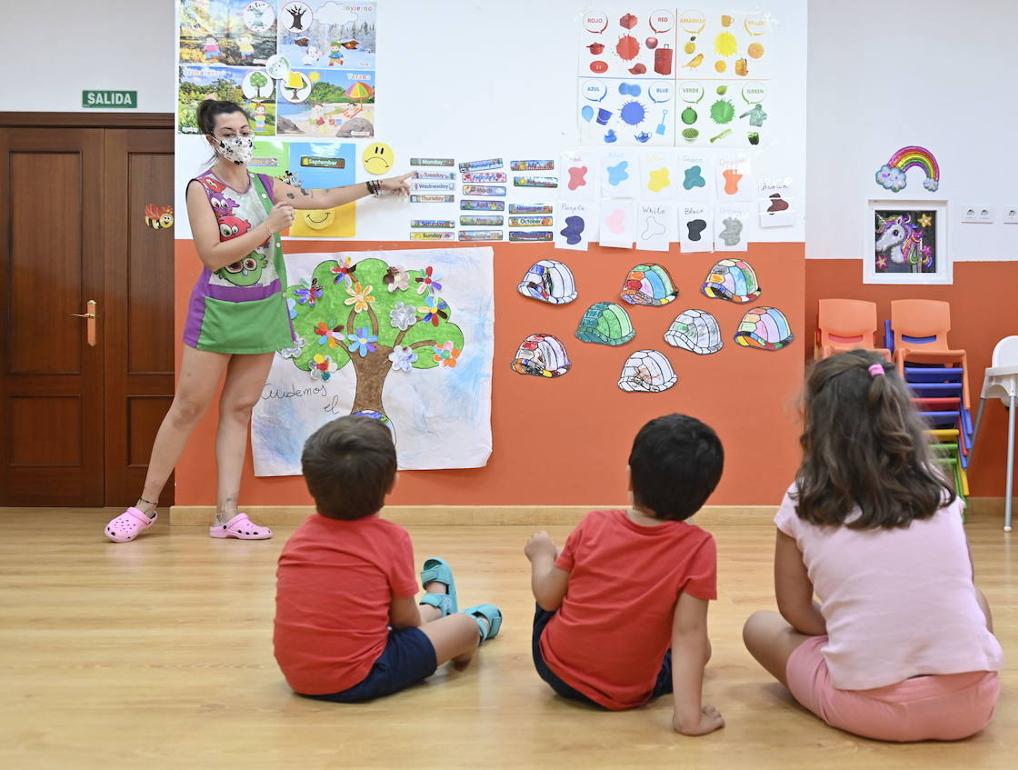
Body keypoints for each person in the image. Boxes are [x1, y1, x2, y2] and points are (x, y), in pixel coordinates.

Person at [104, 99, 413, 543]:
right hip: (217, 311)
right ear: (212, 140)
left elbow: (323, 198)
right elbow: (212, 255)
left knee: (240, 410)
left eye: (244, 129)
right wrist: (268, 226)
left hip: (264, 308)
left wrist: (381, 185)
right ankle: (145, 507)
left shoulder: (268, 184)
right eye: (229, 133)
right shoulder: (201, 188)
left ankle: (227, 515)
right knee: (188, 408)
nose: (239, 139)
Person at [742, 351, 1003, 742]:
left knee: (757, 627)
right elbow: (961, 581)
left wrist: (853, 624)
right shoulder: (937, 483)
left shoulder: (805, 497)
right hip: (974, 707)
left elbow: (793, 611)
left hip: (869, 710)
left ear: (818, 422)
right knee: (975, 597)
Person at [273, 416, 502, 702]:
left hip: (297, 674)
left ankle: (436, 605)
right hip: (361, 677)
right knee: (463, 627)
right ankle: (469, 626)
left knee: (400, 616)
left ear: (309, 483)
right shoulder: (391, 539)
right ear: (393, 481)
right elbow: (405, 623)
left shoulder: (298, 538)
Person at [524, 414, 725, 737]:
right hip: (628, 692)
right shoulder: (699, 547)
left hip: (555, 669)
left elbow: (547, 596)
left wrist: (542, 555)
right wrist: (690, 719)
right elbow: (688, 634)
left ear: (631, 478)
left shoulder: (593, 525)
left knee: (561, 566)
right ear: (701, 498)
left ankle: (552, 556)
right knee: (703, 649)